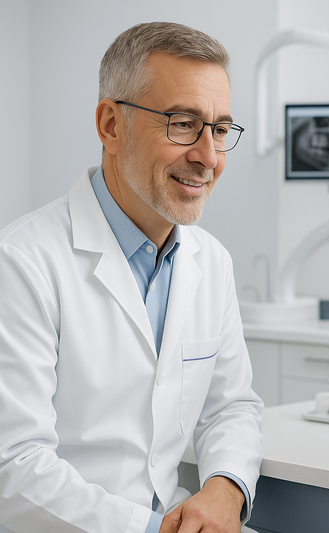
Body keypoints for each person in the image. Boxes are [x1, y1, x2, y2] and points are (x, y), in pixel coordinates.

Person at [0, 22, 264, 533]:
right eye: (182, 123)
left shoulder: (211, 262)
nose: (208, 157)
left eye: (220, 130)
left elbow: (232, 406)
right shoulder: (21, 262)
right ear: (110, 126)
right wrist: (150, 530)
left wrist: (227, 487)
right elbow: (13, 466)